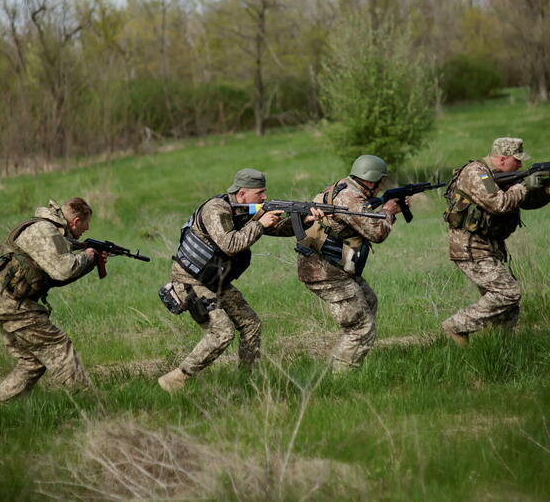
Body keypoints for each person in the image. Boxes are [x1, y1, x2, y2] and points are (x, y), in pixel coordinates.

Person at [157, 168, 319, 392]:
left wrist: (305, 219)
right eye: (259, 193)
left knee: (251, 324)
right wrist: (260, 223)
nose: (264, 197)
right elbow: (230, 245)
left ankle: (246, 380)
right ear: (242, 193)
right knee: (222, 333)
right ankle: (177, 378)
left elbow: (278, 229)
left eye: (265, 192)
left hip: (215, 280)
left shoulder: (245, 208)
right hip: (190, 280)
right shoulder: (216, 209)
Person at [0, 198, 105, 410]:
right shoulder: (45, 231)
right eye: (85, 225)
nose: (87, 229)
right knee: (57, 345)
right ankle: (90, 403)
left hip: (4, 302)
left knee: (32, 362)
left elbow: (57, 276)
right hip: (12, 305)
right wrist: (86, 257)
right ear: (75, 221)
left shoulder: (46, 228)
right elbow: (63, 270)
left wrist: (89, 261)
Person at [440, 137, 550, 346]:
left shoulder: (502, 175)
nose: (521, 165)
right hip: (470, 248)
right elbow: (499, 203)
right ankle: (457, 325)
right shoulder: (477, 173)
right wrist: (523, 186)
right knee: (508, 292)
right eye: (517, 160)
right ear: (502, 159)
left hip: (488, 247)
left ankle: (502, 349)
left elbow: (526, 202)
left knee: (508, 308)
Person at [295, 155, 405, 371]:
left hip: (331, 266)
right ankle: (342, 375)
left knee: (369, 301)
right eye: (380, 181)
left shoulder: (344, 186)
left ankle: (344, 357)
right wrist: (389, 212)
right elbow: (376, 232)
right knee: (360, 327)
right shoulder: (350, 197)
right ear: (371, 181)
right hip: (325, 271)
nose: (382, 186)